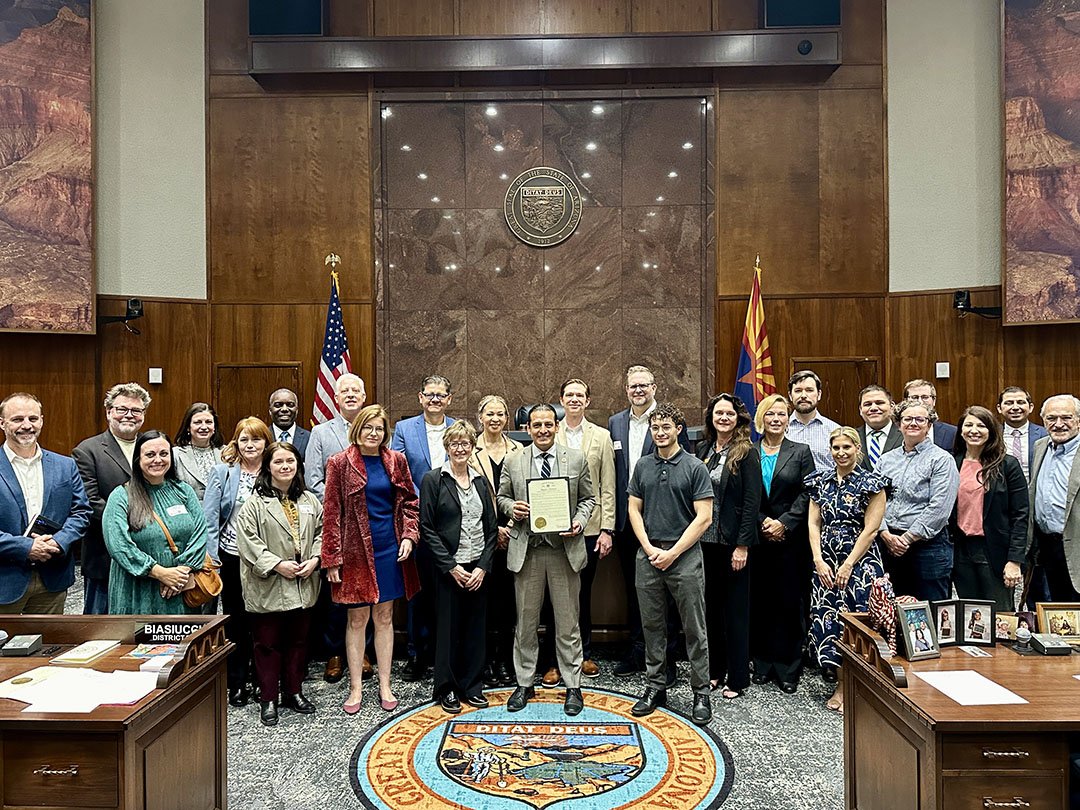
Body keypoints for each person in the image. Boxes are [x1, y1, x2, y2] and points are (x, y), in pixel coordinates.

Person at [497, 404, 595, 716]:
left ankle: (573, 685)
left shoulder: (576, 458)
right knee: (525, 624)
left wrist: (579, 522)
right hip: (528, 552)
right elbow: (501, 497)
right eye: (536, 425)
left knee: (568, 624)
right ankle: (524, 682)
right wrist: (513, 509)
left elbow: (588, 498)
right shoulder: (513, 460)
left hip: (563, 551)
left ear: (557, 426)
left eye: (548, 425)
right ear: (527, 429)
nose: (542, 430)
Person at [322, 405, 420, 715]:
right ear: (357, 430)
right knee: (357, 619)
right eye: (368, 428)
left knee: (385, 618)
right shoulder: (340, 463)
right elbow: (332, 513)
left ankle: (385, 685)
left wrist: (409, 536)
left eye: (378, 428)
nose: (373, 433)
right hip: (354, 554)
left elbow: (409, 504)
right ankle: (355, 688)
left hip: (390, 549)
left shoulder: (396, 461)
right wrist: (332, 558)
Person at [627, 403, 713, 726]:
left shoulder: (694, 467)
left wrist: (674, 552)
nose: (660, 433)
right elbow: (634, 509)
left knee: (694, 626)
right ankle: (655, 685)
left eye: (666, 427)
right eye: (655, 428)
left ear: (678, 429)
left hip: (684, 557)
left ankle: (701, 692)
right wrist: (648, 547)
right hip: (648, 555)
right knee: (652, 625)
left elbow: (704, 518)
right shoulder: (643, 466)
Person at [608, 365, 688, 677]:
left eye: (643, 385)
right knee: (634, 590)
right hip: (628, 523)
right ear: (626, 390)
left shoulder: (665, 422)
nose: (638, 391)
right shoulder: (615, 423)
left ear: (654, 387)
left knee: (664, 595)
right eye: (632, 386)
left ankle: (666, 659)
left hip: (661, 523)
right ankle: (637, 651)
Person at [236, 441, 322, 727]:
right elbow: (248, 543)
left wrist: (316, 559)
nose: (285, 467)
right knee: (267, 644)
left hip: (303, 581)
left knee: (298, 641)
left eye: (290, 461)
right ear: (267, 467)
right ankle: (269, 698)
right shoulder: (254, 504)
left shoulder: (310, 500)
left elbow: (323, 533)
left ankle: (293, 692)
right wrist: (277, 564)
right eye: (278, 462)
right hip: (269, 583)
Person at [537, 378, 616, 685]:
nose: (574, 399)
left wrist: (607, 528)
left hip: (589, 529)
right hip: (551, 529)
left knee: (580, 594)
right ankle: (554, 660)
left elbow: (607, 486)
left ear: (587, 401)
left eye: (579, 395)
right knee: (551, 597)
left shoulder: (602, 437)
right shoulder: (548, 433)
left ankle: (581, 654)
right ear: (561, 399)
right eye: (568, 394)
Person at [806, 426, 888, 714]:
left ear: (857, 449)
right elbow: (813, 523)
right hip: (825, 562)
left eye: (846, 447)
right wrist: (818, 558)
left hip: (860, 562)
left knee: (860, 625)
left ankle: (860, 689)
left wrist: (849, 563)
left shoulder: (873, 483)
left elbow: (872, 528)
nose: (841, 453)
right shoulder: (820, 482)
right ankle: (840, 684)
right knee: (832, 624)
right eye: (836, 448)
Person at [420, 421, 498, 714]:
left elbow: (492, 529)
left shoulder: (480, 481)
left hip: (477, 566)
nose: (460, 449)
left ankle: (472, 685)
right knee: (448, 629)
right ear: (447, 447)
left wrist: (483, 567)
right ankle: (447, 688)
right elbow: (426, 527)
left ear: (472, 446)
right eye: (455, 444)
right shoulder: (433, 480)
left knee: (475, 628)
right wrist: (451, 566)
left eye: (465, 443)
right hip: (448, 568)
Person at [390, 374, 457, 683]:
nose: (434, 399)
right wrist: (421, 502)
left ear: (449, 399)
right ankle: (418, 653)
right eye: (429, 394)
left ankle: (446, 652)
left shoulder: (457, 428)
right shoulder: (404, 430)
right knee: (417, 592)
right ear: (420, 398)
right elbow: (398, 472)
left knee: (447, 590)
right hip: (416, 519)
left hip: (451, 521)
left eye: (440, 395)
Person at [204, 416, 273, 708]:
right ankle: (236, 682)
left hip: (267, 559)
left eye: (256, 439)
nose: (250, 445)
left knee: (263, 620)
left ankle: (262, 679)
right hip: (232, 557)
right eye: (244, 439)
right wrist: (211, 555)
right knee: (235, 621)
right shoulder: (223, 473)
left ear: (265, 442)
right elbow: (209, 518)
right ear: (236, 442)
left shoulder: (274, 470)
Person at [304, 372, 368, 685]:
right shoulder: (320, 433)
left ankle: (364, 651)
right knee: (336, 590)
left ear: (364, 397)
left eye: (356, 390)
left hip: (370, 525)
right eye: (345, 391)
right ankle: (334, 653)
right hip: (336, 524)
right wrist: (338, 507)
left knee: (368, 590)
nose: (351, 395)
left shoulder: (374, 430)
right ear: (336, 397)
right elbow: (313, 479)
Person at [696, 393, 761, 699]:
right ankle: (713, 672)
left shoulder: (746, 452)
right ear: (711, 418)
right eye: (718, 413)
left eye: (729, 414)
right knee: (710, 610)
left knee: (734, 612)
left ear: (738, 419)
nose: (723, 418)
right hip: (705, 543)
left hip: (733, 545)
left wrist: (743, 545)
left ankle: (736, 678)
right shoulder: (704, 449)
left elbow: (751, 503)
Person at [0, 393, 90, 613]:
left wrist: (59, 542)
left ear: (41, 420)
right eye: (17, 419)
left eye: (33, 418)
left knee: (49, 646)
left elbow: (81, 512)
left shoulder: (65, 465)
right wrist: (26, 547)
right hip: (4, 580)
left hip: (53, 579)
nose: (26, 425)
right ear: (2, 423)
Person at [102, 430, 209, 615]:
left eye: (164, 454)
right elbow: (119, 545)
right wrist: (160, 573)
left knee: (181, 643)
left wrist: (180, 573)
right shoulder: (121, 496)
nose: (157, 460)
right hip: (137, 590)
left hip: (181, 589)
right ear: (138, 459)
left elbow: (200, 532)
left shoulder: (184, 491)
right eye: (150, 455)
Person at [750, 394, 815, 693]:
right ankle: (763, 663)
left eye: (781, 414)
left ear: (787, 419)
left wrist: (784, 523)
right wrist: (764, 521)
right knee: (761, 602)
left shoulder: (801, 451)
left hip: (790, 541)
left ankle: (789, 667)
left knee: (789, 602)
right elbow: (746, 495)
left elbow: (807, 493)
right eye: (770, 414)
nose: (776, 419)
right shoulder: (749, 452)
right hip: (758, 538)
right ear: (761, 419)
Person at [73, 382, 151, 614]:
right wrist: (135, 523)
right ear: (109, 412)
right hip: (105, 559)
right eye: (122, 409)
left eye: (136, 410)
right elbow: (89, 501)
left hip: (149, 555)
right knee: (101, 631)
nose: (129, 415)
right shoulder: (88, 450)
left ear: (143, 415)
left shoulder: (152, 446)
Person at [875, 399, 959, 601]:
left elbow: (939, 508)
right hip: (888, 544)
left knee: (931, 612)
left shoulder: (942, 459)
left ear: (929, 425)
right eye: (907, 419)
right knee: (890, 610)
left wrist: (906, 539)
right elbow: (874, 501)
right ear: (898, 424)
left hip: (927, 547)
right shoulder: (886, 459)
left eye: (920, 419)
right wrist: (885, 533)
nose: (913, 423)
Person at [949, 406, 1028, 612]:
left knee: (1000, 615)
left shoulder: (1008, 465)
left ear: (992, 431)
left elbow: (1021, 516)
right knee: (969, 613)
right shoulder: (951, 462)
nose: (974, 430)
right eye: (969, 425)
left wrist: (1014, 561)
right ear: (961, 430)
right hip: (961, 550)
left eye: (981, 425)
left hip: (994, 549)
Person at [469, 394, 523, 688]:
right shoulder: (470, 448)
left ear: (507, 419)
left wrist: (510, 526)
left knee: (508, 602)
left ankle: (505, 661)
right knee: (484, 602)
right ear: (480, 417)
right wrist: (494, 531)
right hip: (481, 535)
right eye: (489, 414)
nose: (495, 419)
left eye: (500, 414)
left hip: (515, 533)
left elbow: (524, 492)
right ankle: (486, 661)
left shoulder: (519, 449)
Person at [1028, 394, 1080, 602]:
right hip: (1046, 544)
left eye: (1066, 417)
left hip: (1076, 543)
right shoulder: (1040, 446)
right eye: (1051, 418)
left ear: (1078, 420)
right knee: (1057, 608)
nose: (1058, 424)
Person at [785, 370, 841, 472]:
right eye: (798, 391)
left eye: (809, 390)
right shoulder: (782, 429)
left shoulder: (834, 430)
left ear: (819, 394)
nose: (803, 395)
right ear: (790, 395)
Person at [172, 402, 224, 501]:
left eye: (208, 422)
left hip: (222, 514)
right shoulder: (175, 455)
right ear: (188, 427)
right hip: (189, 513)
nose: (204, 427)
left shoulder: (227, 453)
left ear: (214, 427)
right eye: (197, 422)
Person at [998, 386, 1048, 480]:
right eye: (1009, 403)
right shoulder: (992, 435)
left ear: (1031, 407)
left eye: (1021, 402)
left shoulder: (1045, 435)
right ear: (999, 408)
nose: (1015, 407)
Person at [902, 379, 957, 452]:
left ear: (934, 401)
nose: (920, 401)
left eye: (925, 397)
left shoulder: (952, 433)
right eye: (914, 397)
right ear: (905, 401)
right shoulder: (896, 434)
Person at [856, 385, 901, 470]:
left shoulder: (905, 435)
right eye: (867, 404)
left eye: (879, 403)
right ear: (860, 410)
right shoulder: (851, 437)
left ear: (892, 406)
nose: (873, 408)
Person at [268, 388, 311, 458]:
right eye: (278, 405)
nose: (284, 409)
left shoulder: (309, 438)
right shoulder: (263, 437)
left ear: (297, 410)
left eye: (290, 405)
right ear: (270, 410)